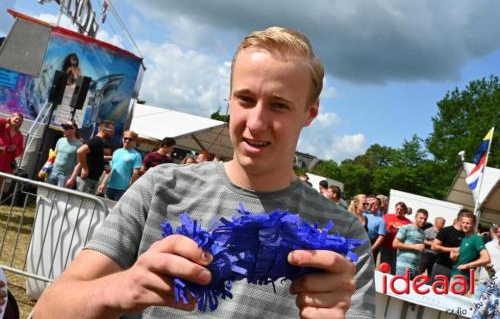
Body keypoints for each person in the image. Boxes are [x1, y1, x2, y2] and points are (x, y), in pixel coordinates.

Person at [33, 26, 375, 318]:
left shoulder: (343, 237)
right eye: (245, 99)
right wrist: (125, 286)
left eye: (279, 105)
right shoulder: (161, 188)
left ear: (310, 113)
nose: (255, 123)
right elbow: (49, 309)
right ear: (229, 99)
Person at [67, 120, 115, 194]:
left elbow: (93, 156)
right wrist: (85, 168)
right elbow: (80, 151)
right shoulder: (97, 140)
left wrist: (103, 164)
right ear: (103, 130)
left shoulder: (100, 141)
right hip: (87, 180)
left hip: (91, 180)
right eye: (111, 131)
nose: (113, 133)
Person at [450, 211, 490, 293]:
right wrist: (454, 258)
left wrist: (466, 265)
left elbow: (486, 258)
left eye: (468, 223)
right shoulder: (464, 238)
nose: (464, 225)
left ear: (473, 224)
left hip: (462, 279)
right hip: (454, 275)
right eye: (463, 222)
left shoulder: (476, 238)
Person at [97, 131, 142, 201]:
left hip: (123, 190)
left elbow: (135, 173)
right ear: (122, 138)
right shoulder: (117, 152)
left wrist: (130, 188)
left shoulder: (136, 155)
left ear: (134, 141)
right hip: (110, 187)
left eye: (130, 139)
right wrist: (103, 183)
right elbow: (110, 170)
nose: (127, 140)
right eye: (125, 138)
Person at [430, 209, 468, 283]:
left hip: (458, 270)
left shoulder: (467, 235)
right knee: (435, 291)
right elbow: (433, 247)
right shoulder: (446, 230)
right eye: (465, 221)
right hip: (442, 266)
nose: (467, 224)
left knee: (451, 294)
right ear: (460, 219)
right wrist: (453, 249)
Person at [393, 209, 428, 279]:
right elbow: (395, 244)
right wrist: (414, 247)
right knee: (400, 289)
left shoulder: (422, 233)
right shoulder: (405, 228)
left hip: (415, 269)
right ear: (415, 217)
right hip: (403, 267)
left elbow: (419, 248)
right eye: (421, 218)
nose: (423, 221)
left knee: (409, 290)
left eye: (425, 219)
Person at [46, 121, 82, 187]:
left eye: (66, 128)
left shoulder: (79, 145)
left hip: (65, 176)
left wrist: (72, 178)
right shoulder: (60, 140)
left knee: (59, 197)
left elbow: (79, 163)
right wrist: (45, 169)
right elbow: (53, 156)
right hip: (52, 173)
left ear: (74, 130)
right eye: (64, 128)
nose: (64, 130)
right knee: (45, 195)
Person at [380, 202, 411, 274]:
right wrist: (388, 229)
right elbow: (381, 231)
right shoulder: (386, 217)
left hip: (398, 250)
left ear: (404, 211)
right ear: (395, 209)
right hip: (385, 246)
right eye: (398, 209)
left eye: (401, 209)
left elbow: (407, 237)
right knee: (383, 268)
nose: (399, 210)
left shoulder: (408, 223)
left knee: (395, 270)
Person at [474, 224, 500, 299]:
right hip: (483, 284)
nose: (499, 234)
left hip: (497, 289)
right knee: (472, 307)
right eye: (498, 232)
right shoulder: (489, 245)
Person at [0, 113, 24, 188]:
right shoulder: (3, 127)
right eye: (16, 118)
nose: (17, 120)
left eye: (19, 120)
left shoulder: (20, 135)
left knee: (0, 183)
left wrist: (15, 148)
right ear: (11, 117)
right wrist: (6, 120)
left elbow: (20, 150)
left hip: (6, 162)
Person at [365, 195, 386, 260]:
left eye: (376, 204)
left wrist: (372, 249)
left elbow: (381, 237)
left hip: (370, 244)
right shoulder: (363, 214)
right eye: (372, 204)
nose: (373, 206)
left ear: (379, 206)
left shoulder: (381, 220)